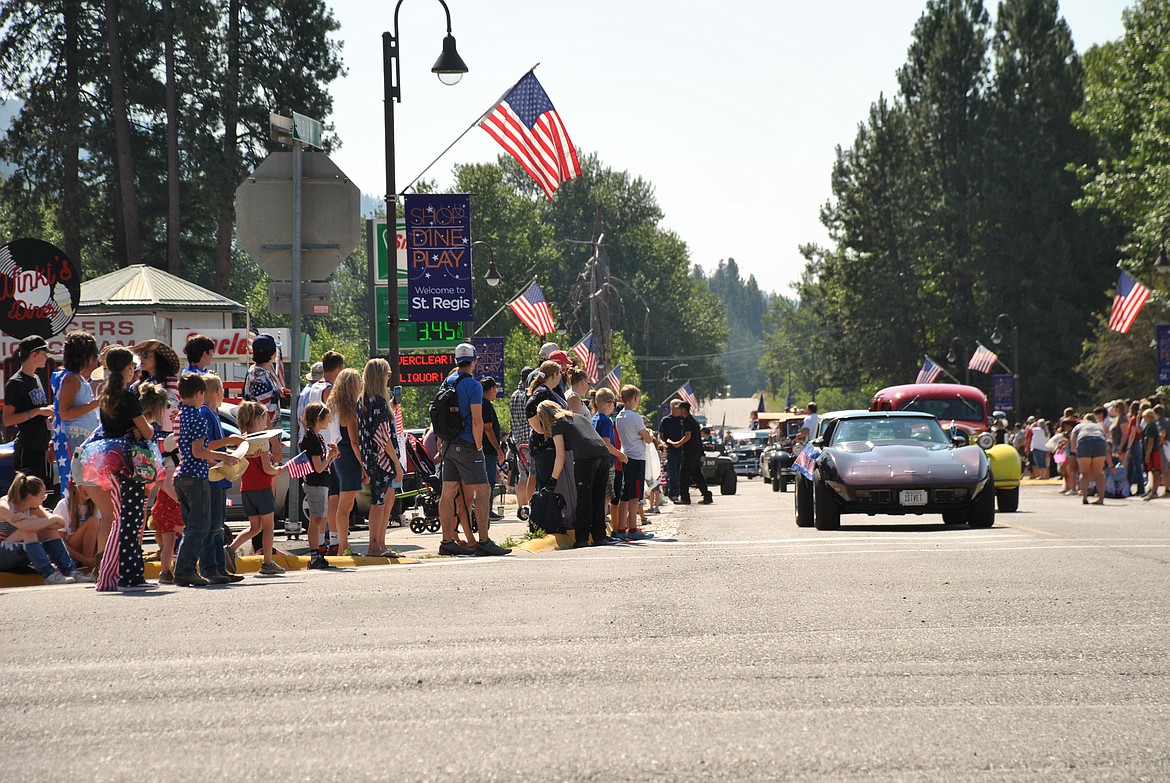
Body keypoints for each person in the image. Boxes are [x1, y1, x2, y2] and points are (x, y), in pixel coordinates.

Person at [85, 349, 167, 592]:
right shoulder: (128, 398)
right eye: (133, 367)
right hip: (130, 461)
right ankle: (123, 574)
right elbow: (148, 431)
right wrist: (143, 428)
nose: (135, 372)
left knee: (126, 518)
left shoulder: (105, 394)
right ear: (128, 368)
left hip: (110, 459)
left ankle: (129, 573)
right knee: (129, 520)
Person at [436, 343, 509, 557]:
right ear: (475, 361)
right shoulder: (474, 386)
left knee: (447, 493)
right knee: (484, 490)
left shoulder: (446, 382)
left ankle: (447, 540)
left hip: (449, 444)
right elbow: (477, 421)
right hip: (468, 445)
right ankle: (484, 541)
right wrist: (478, 446)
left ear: (456, 361)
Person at [172, 372, 238, 587]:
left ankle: (186, 569)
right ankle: (185, 570)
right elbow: (199, 451)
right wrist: (224, 456)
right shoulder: (199, 416)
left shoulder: (180, 415)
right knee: (200, 527)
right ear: (200, 394)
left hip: (181, 475)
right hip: (196, 475)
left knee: (192, 527)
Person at [536, 400, 626, 548]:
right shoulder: (578, 417)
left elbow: (560, 456)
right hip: (603, 454)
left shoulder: (558, 424)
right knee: (598, 498)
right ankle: (599, 536)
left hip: (586, 458)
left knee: (584, 499)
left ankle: (582, 538)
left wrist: (552, 480)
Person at [227, 401, 287, 575]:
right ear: (260, 419)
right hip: (262, 487)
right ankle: (267, 562)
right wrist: (278, 470)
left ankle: (230, 548)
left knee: (255, 527)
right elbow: (267, 468)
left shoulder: (243, 439)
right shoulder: (261, 440)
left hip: (247, 489)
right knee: (268, 526)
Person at [357, 358, 406, 558]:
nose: (389, 378)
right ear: (380, 376)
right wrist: (396, 462)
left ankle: (380, 544)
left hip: (370, 457)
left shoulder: (364, 400)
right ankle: (375, 546)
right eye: (387, 374)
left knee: (383, 500)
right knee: (379, 502)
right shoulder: (377, 401)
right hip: (380, 459)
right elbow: (383, 436)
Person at [1, 473, 89, 584]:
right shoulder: (5, 506)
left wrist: (51, 519)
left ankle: (69, 571)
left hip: (19, 551)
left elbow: (59, 524)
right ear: (31, 498)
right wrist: (50, 520)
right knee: (28, 532)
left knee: (49, 531)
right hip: (3, 556)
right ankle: (49, 574)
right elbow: (26, 526)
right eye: (43, 496)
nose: (44, 499)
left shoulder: (33, 507)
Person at [301, 350, 344, 551]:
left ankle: (323, 543)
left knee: (321, 505)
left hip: (316, 446)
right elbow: (334, 417)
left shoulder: (308, 390)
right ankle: (333, 540)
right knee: (332, 497)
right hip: (326, 449)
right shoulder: (328, 390)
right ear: (340, 369)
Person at [51, 331, 100, 491]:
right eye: (94, 357)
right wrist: (96, 403)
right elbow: (65, 413)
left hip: (81, 438)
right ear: (84, 357)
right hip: (76, 438)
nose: (96, 363)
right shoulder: (71, 378)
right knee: (81, 486)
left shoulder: (72, 377)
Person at [4, 335, 55, 488]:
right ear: (34, 355)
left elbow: (39, 411)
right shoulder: (16, 383)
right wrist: (38, 411)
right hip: (27, 449)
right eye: (44, 353)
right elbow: (7, 420)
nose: (47, 357)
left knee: (42, 495)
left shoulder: (36, 378)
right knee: (26, 495)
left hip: (42, 448)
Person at [328, 367, 364, 556]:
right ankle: (343, 547)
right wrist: (364, 466)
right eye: (359, 381)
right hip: (349, 456)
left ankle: (342, 545)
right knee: (345, 505)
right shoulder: (349, 410)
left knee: (345, 504)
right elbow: (355, 441)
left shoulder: (335, 406)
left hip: (339, 455)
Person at [300, 401, 340, 569]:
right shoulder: (311, 439)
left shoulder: (318, 437)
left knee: (320, 518)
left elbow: (323, 464)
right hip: (315, 484)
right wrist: (329, 456)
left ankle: (318, 554)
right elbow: (318, 467)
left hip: (321, 483)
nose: (329, 420)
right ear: (318, 418)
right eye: (327, 417)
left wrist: (332, 455)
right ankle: (315, 555)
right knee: (316, 520)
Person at [614, 385, 654, 541]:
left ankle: (621, 528)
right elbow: (648, 439)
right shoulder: (635, 417)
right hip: (637, 458)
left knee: (625, 495)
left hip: (626, 456)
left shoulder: (619, 417)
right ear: (635, 398)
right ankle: (632, 529)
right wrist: (649, 431)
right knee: (634, 497)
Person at [591, 387, 621, 529]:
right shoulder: (607, 421)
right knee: (606, 497)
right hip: (607, 463)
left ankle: (597, 525)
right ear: (609, 403)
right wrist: (620, 454)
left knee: (598, 495)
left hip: (594, 461)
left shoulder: (594, 419)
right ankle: (600, 527)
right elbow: (606, 444)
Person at [508, 366, 535, 514]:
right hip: (529, 439)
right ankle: (530, 507)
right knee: (532, 474)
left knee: (522, 476)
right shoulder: (528, 395)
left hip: (518, 441)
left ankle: (521, 507)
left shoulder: (513, 395)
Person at [676, 400, 713, 504]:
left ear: (683, 409)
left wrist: (678, 443)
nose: (678, 410)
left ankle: (685, 498)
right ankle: (707, 495)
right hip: (696, 452)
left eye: (679, 408)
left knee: (683, 475)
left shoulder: (687, 420)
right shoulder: (693, 420)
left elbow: (688, 435)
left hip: (690, 452)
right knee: (697, 475)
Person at [1071, 412, 1109, 505]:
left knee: (1084, 473)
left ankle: (1084, 497)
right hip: (1099, 442)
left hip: (1084, 441)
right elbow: (1106, 441)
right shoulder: (1099, 427)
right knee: (1099, 474)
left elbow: (1072, 445)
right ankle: (1100, 499)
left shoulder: (1078, 426)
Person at [479, 377, 504, 521]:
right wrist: (499, 449)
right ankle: (486, 510)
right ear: (490, 389)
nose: (496, 392)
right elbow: (488, 429)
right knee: (488, 482)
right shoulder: (485, 405)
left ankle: (487, 509)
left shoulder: (481, 404)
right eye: (495, 389)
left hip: (485, 450)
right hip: (488, 450)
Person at [657, 399, 687, 501]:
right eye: (679, 408)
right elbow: (660, 435)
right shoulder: (666, 420)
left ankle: (683, 493)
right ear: (673, 408)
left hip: (683, 449)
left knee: (682, 473)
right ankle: (673, 494)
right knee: (673, 473)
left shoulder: (684, 420)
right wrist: (662, 443)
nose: (681, 410)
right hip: (672, 450)